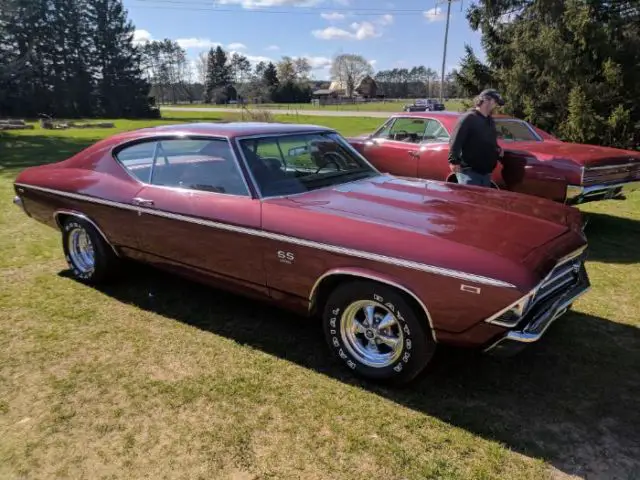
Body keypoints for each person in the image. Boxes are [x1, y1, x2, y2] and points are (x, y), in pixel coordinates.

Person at [448, 89, 505, 187]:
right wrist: (453, 161)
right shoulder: (468, 118)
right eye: (495, 102)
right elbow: (455, 140)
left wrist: (498, 150)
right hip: (469, 173)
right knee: (470, 200)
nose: (495, 106)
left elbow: (489, 141)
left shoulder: (490, 121)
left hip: (486, 173)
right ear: (486, 100)